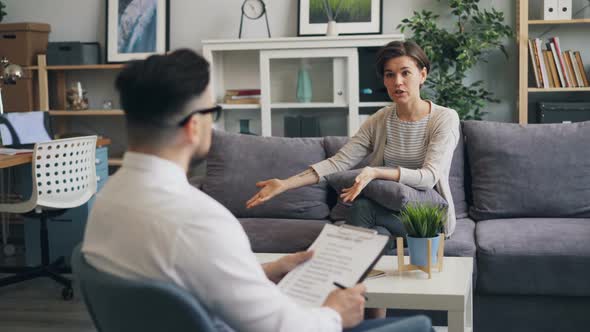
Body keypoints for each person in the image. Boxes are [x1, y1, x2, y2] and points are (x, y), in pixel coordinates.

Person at [81, 49, 432, 332]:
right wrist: (335, 314)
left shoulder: (105, 201)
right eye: (212, 111)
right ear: (193, 127)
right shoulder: (200, 221)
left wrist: (270, 269)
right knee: (418, 327)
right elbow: (282, 326)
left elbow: (186, 283)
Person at [247, 41, 460, 319]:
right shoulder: (381, 119)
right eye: (389, 74)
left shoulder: (444, 118)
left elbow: (429, 176)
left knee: (362, 211)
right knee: (372, 240)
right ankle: (369, 322)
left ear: (423, 74)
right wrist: (284, 184)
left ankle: (340, 312)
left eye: (405, 73)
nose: (397, 81)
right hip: (387, 214)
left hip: (427, 221)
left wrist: (375, 172)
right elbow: (339, 161)